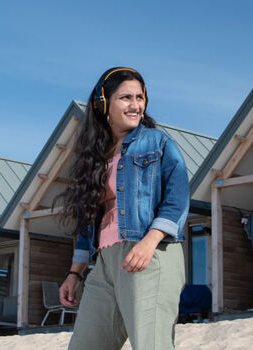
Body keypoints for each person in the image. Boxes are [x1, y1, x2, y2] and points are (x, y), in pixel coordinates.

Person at [57, 67, 189, 350]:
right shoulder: (93, 157)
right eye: (125, 97)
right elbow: (86, 222)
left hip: (150, 255)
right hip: (105, 262)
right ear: (102, 103)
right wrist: (74, 273)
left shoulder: (158, 143)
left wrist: (149, 241)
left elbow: (177, 198)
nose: (135, 105)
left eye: (139, 97)